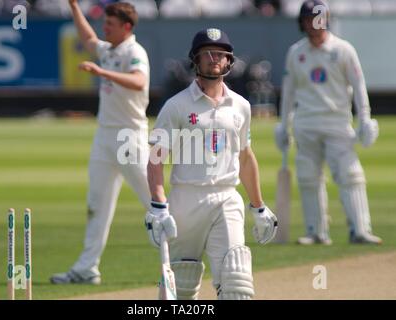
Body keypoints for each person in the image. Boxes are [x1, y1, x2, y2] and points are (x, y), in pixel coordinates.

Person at [145, 28, 278, 300]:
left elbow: (245, 157)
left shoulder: (240, 106)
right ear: (195, 59)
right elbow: (155, 159)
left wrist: (259, 206)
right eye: (206, 53)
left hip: (227, 198)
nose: (214, 58)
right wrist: (158, 206)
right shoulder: (176, 106)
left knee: (236, 283)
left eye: (220, 53)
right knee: (179, 288)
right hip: (186, 199)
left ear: (229, 61)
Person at [51, 0, 151, 284]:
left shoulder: (134, 51)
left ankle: (183, 256)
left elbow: (139, 82)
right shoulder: (108, 49)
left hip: (129, 136)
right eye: (105, 22)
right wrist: (73, 7)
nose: (104, 27)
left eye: (110, 24)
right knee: (97, 204)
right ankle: (86, 268)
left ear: (127, 27)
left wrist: (101, 73)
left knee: (155, 204)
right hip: (104, 137)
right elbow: (88, 37)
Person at [275, 0, 381, 245]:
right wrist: (283, 124)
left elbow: (358, 86)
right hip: (306, 124)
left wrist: (364, 117)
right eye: (308, 19)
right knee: (308, 178)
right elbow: (289, 92)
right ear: (301, 22)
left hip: (337, 123)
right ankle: (316, 231)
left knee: (350, 175)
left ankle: (360, 229)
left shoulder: (343, 50)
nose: (314, 23)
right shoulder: (296, 52)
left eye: (318, 18)